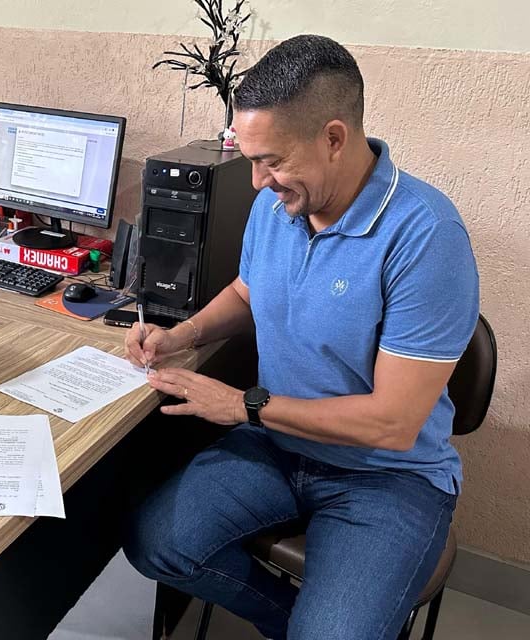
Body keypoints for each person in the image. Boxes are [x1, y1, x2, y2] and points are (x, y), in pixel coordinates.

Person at [123, 35, 479, 639]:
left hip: (387, 476)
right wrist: (181, 333)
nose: (258, 182)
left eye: (273, 161)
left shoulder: (426, 236)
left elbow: (391, 423)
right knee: (154, 543)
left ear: (334, 138)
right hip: (278, 446)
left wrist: (241, 406)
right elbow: (250, 291)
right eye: (249, 158)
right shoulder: (280, 204)